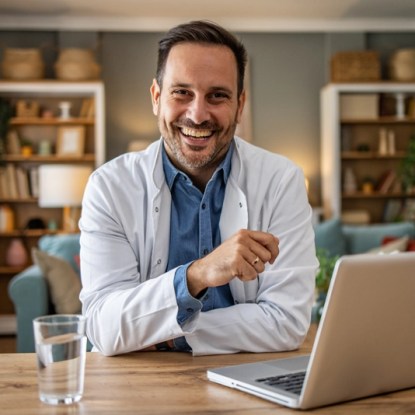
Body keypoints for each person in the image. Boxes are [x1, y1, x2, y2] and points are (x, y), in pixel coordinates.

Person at [79, 20, 318, 356]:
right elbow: (104, 326)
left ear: (240, 105)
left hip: (246, 380)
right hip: (137, 382)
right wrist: (198, 274)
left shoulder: (281, 180)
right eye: (182, 92)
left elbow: (287, 322)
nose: (197, 113)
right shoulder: (109, 187)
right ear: (156, 97)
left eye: (217, 95)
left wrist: (166, 332)